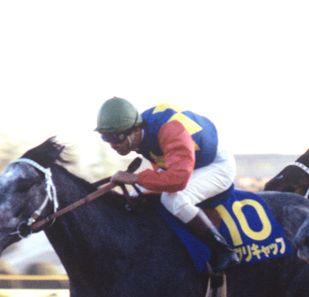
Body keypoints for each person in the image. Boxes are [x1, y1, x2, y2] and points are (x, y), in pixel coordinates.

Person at [95, 97, 240, 273]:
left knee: (175, 199)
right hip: (188, 163)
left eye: (117, 137)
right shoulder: (142, 134)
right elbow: (164, 165)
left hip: (215, 165)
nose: (112, 145)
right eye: (106, 138)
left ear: (135, 130)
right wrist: (139, 183)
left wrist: (135, 178)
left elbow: (178, 180)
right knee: (135, 196)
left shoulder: (169, 129)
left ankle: (223, 250)